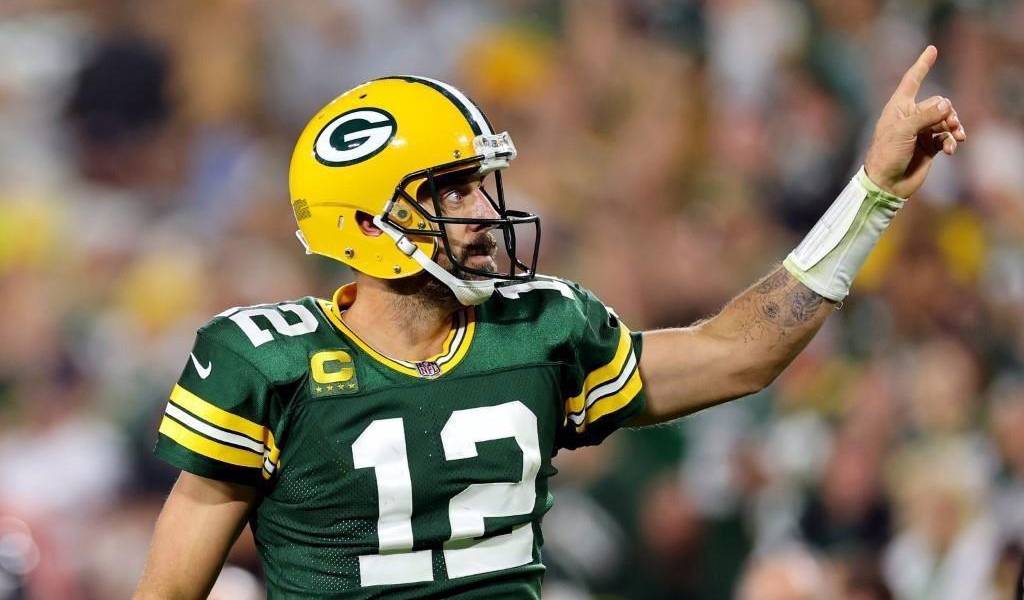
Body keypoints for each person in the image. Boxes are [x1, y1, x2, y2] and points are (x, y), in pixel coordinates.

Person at [134, 48, 965, 599]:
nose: (483, 212)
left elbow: (740, 353)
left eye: (478, 184)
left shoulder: (540, 329)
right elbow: (168, 591)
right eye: (451, 191)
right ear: (364, 224)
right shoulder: (266, 364)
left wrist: (873, 192)